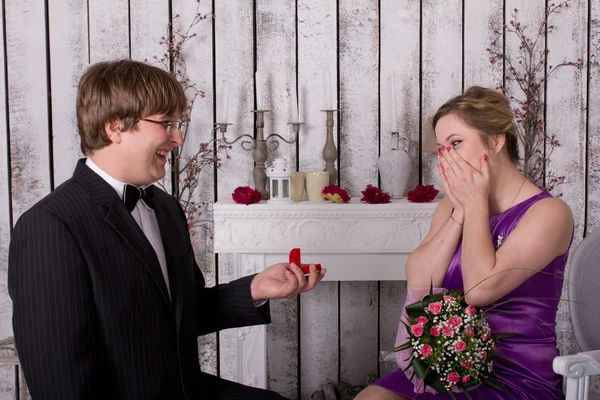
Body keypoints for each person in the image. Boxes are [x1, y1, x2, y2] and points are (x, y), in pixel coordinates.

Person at [8, 60, 326, 400]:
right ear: (115, 126)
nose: (177, 138)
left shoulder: (165, 207)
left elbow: (182, 314)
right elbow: (59, 384)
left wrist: (255, 288)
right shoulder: (50, 226)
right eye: (166, 124)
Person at [356, 86, 573, 400]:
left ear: (495, 141)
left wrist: (475, 206)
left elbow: (479, 290)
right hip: (448, 364)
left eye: (456, 143)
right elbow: (420, 277)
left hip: (515, 374)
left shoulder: (549, 213)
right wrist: (460, 211)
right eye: (442, 148)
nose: (446, 157)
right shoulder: (454, 203)